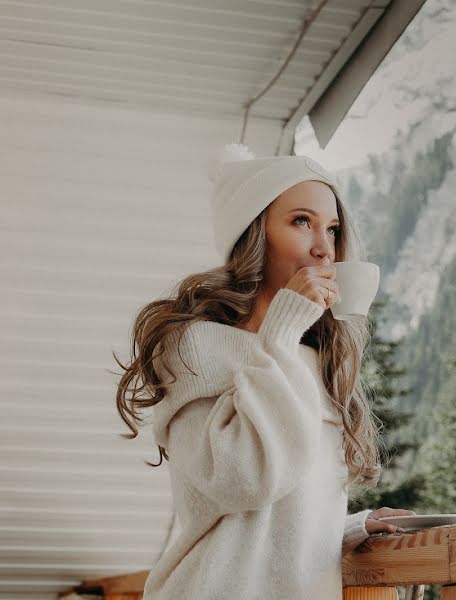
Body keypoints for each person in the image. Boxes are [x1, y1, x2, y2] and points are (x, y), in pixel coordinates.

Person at [113, 143, 415, 599]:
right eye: (301, 221)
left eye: (332, 230)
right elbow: (243, 482)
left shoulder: (312, 357)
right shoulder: (196, 346)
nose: (323, 249)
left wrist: (352, 529)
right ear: (253, 233)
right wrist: (282, 333)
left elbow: (283, 517)